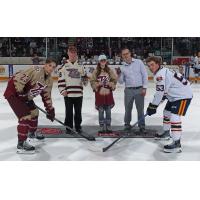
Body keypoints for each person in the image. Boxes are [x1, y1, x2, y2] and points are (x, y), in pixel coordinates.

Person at [3, 58, 57, 154]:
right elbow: (18, 78)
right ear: (45, 65)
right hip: (13, 94)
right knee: (25, 116)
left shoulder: (49, 81)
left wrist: (50, 109)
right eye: (50, 65)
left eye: (53, 67)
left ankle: (32, 133)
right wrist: (20, 93)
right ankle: (21, 144)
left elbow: (47, 96)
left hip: (25, 97)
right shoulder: (35, 71)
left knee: (35, 112)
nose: (51, 68)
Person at [146, 56, 193, 153]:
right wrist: (154, 105)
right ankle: (166, 133)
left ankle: (176, 143)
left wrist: (152, 106)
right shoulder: (163, 71)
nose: (150, 67)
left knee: (174, 117)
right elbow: (163, 92)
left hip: (183, 96)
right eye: (149, 65)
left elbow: (160, 94)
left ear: (158, 64)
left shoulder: (160, 75)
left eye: (152, 65)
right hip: (175, 95)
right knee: (167, 112)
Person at [58, 46, 88, 134]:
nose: (72, 54)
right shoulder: (64, 66)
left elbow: (85, 83)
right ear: (68, 53)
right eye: (71, 52)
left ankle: (78, 127)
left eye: (74, 52)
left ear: (76, 53)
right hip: (68, 94)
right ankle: (68, 128)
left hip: (79, 93)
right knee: (69, 112)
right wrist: (62, 91)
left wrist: (84, 79)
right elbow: (60, 80)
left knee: (78, 112)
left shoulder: (81, 66)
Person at [118, 47, 148, 133]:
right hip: (128, 90)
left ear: (130, 53)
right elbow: (121, 82)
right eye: (124, 54)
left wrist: (144, 87)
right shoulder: (122, 67)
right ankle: (127, 125)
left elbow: (144, 75)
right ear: (122, 56)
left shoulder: (139, 62)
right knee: (128, 109)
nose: (126, 55)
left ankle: (142, 126)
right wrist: (119, 75)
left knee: (140, 109)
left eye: (127, 53)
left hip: (139, 89)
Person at [90, 55, 117, 133]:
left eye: (104, 60)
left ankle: (108, 125)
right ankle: (101, 125)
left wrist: (111, 84)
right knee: (101, 110)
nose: (103, 62)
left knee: (108, 110)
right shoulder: (96, 71)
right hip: (100, 94)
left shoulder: (109, 70)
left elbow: (114, 80)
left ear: (106, 61)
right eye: (101, 60)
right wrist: (97, 84)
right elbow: (92, 81)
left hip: (108, 93)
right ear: (99, 61)